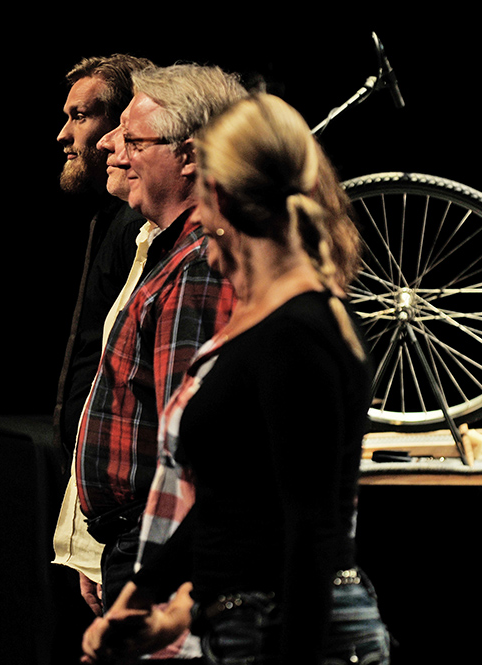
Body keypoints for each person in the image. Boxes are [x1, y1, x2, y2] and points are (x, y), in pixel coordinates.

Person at [81, 94, 390, 664]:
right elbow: (233, 498)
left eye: (202, 198)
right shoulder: (268, 321)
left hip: (295, 626)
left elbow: (310, 532)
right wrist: (144, 596)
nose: (198, 219)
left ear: (220, 198)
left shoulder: (300, 330)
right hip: (248, 621)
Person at [73, 64, 247, 624]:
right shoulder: (169, 252)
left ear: (189, 155)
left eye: (132, 138)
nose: (109, 146)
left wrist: (151, 585)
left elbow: (191, 452)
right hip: (139, 541)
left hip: (162, 548)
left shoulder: (198, 267)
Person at [50, 53, 155, 621]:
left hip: (128, 522)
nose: (63, 134)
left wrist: (93, 541)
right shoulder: (115, 220)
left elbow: (126, 385)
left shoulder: (139, 226)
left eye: (81, 116)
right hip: (108, 514)